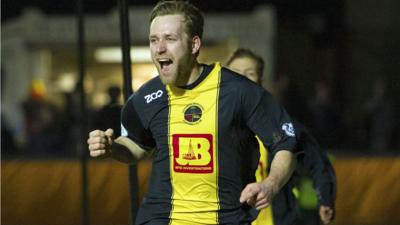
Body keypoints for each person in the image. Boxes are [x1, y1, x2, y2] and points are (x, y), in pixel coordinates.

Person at [87, 1, 297, 224]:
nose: (159, 48)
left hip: (227, 218)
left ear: (194, 44)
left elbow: (285, 143)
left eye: (170, 39)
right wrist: (112, 148)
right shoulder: (143, 99)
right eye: (153, 40)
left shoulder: (239, 91)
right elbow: (137, 147)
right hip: (160, 218)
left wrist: (270, 184)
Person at [226, 48, 336, 225]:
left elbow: (318, 162)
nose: (242, 79)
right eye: (236, 73)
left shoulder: (283, 126)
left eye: (250, 73)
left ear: (260, 82)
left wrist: (325, 198)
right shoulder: (210, 123)